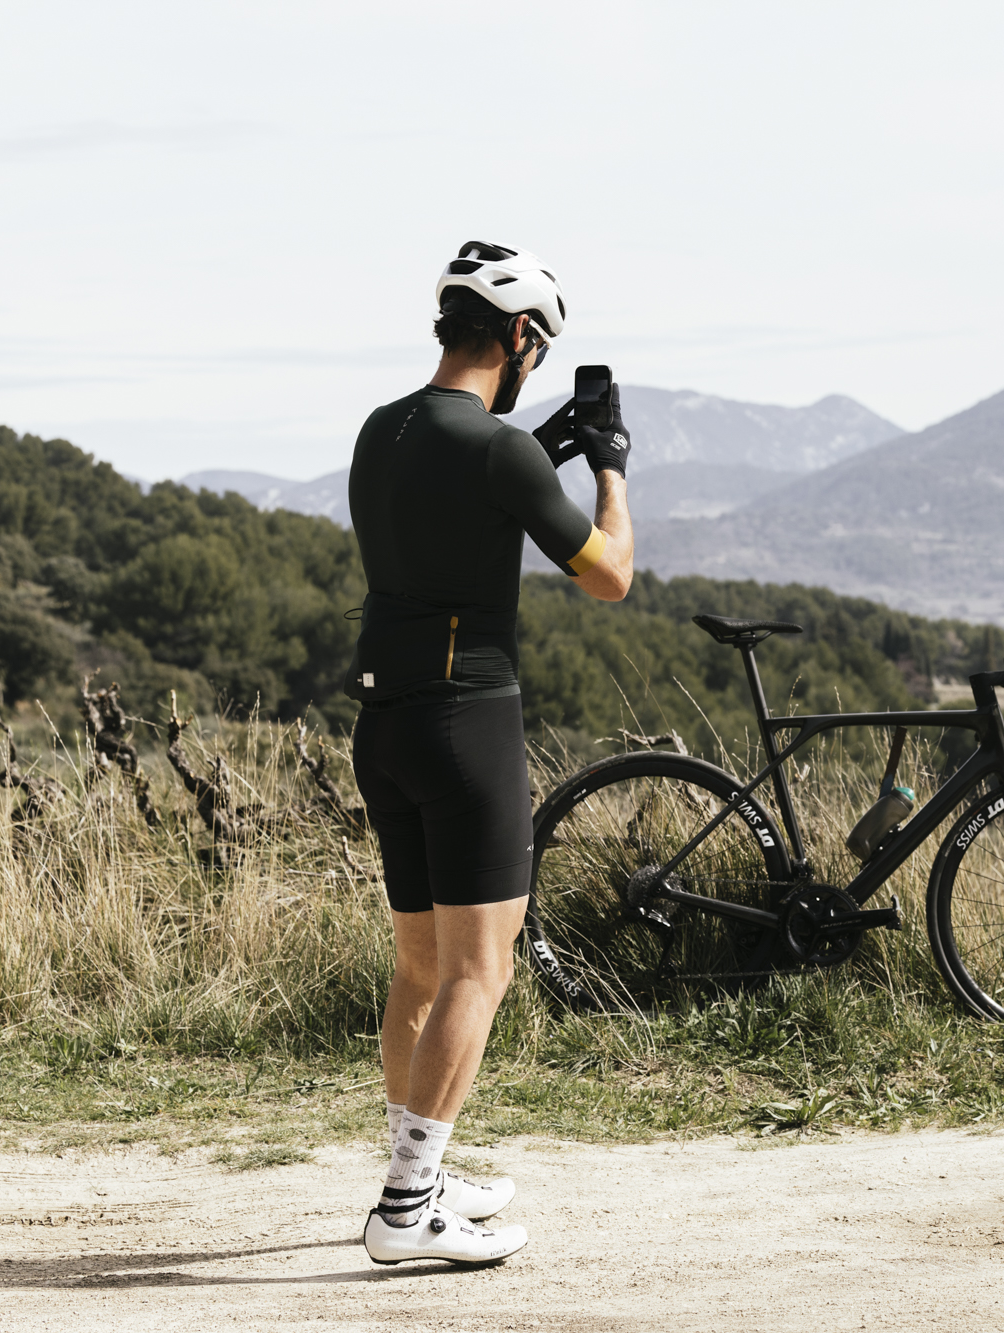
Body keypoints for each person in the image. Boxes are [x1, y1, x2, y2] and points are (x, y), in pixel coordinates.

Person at [345, 240, 634, 1265]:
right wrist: (608, 465)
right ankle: (407, 1206)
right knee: (482, 966)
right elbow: (609, 576)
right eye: (538, 347)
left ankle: (412, 1170)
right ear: (518, 335)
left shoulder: (384, 432)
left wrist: (538, 448)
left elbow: (460, 495)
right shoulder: (500, 451)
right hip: (468, 728)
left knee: (419, 968)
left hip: (383, 725)